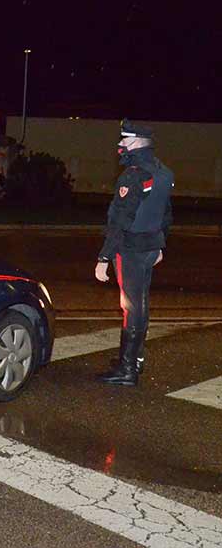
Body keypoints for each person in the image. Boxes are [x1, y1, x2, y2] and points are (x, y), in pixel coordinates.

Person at [94, 119, 174, 386]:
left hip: (130, 248)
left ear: (138, 142)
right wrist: (161, 245)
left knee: (130, 307)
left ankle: (127, 369)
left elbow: (120, 219)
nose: (120, 145)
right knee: (140, 304)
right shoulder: (163, 171)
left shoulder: (134, 174)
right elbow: (165, 214)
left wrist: (103, 257)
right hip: (151, 247)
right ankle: (135, 360)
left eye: (124, 140)